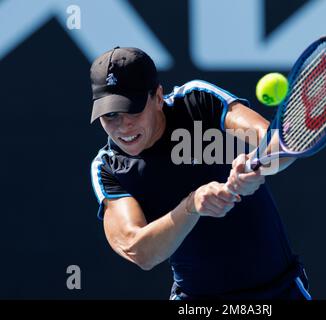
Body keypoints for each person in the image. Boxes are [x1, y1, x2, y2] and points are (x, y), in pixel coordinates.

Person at [89, 46, 311, 300]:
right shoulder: (108, 168)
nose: (123, 126)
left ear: (158, 97)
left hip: (278, 290)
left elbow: (275, 141)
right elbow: (139, 251)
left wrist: (255, 166)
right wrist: (191, 206)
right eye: (111, 115)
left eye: (133, 109)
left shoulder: (196, 101)